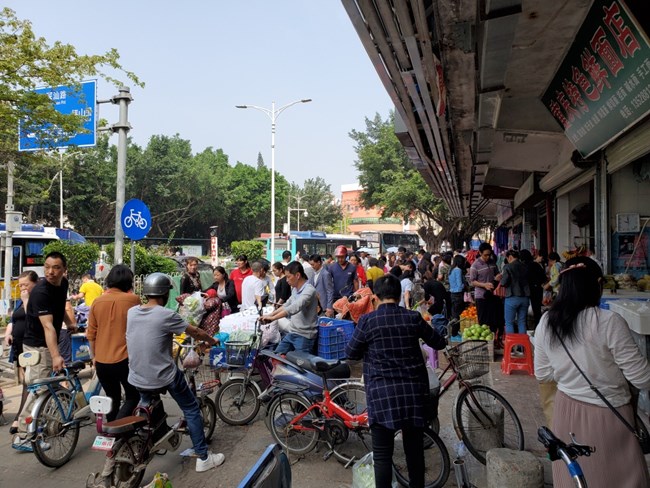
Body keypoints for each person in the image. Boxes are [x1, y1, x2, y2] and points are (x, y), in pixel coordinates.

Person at [534, 257, 650, 487]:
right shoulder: (608, 322)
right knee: (617, 478)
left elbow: (543, 374)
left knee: (576, 477)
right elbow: (642, 378)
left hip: (565, 411)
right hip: (608, 416)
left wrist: (570, 374)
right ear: (597, 284)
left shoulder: (546, 322)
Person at [345, 274, 447, 488]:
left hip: (381, 396)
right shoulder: (413, 318)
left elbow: (351, 353)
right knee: (414, 453)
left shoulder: (368, 321)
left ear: (375, 297)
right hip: (412, 396)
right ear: (400, 296)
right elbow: (438, 342)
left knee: (382, 456)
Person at [126, 273, 224, 473]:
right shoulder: (166, 315)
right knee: (191, 409)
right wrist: (212, 340)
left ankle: (150, 436)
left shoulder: (132, 312)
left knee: (146, 406)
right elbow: (195, 332)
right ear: (165, 293)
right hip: (164, 376)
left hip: (137, 376)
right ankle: (203, 457)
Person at [14, 252, 77, 448]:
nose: (50, 271)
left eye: (56, 267)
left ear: (64, 270)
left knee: (48, 387)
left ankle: (38, 425)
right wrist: (56, 355)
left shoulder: (63, 283)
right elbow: (48, 326)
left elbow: (59, 307)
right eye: (47, 267)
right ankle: (23, 436)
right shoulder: (41, 292)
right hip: (37, 346)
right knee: (39, 390)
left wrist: (70, 323)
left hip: (47, 344)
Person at [86, 264, 141, 422]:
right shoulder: (133, 300)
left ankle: (111, 429)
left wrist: (94, 357)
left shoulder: (97, 302)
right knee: (133, 396)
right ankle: (118, 429)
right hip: (125, 360)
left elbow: (91, 334)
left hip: (102, 361)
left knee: (112, 398)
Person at [3, 270, 38, 435]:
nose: (23, 288)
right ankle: (24, 416)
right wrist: (8, 334)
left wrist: (26, 300)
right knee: (27, 380)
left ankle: (21, 418)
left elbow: (33, 318)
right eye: (20, 285)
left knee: (29, 382)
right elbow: (13, 320)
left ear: (35, 284)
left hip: (31, 345)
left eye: (26, 285)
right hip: (19, 346)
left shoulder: (36, 298)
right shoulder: (19, 301)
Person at [261, 262, 319, 354]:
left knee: (300, 362)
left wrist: (273, 318)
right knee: (276, 356)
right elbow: (286, 305)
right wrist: (270, 315)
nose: (287, 280)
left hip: (305, 336)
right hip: (292, 332)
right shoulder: (295, 289)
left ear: (297, 275)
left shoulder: (309, 290)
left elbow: (294, 308)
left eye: (288, 277)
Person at [469, 243, 502, 344]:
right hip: (480, 296)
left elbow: (497, 274)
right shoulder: (475, 265)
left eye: (489, 254)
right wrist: (484, 285)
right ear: (480, 253)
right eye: (485, 255)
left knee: (493, 320)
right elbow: (472, 281)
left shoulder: (492, 263)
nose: (488, 257)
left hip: (491, 295)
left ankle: (492, 342)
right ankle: (483, 344)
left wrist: (498, 277)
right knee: (483, 321)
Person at [499, 250, 530, 334]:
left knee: (509, 323)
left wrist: (499, 279)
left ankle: (511, 343)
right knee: (522, 322)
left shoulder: (508, 267)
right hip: (525, 298)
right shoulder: (525, 266)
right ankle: (522, 342)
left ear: (510, 257)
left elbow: (503, 283)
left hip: (512, 297)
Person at [520, 249, 546, 327]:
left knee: (524, 309)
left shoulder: (522, 266)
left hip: (525, 290)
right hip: (537, 289)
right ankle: (538, 326)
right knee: (537, 310)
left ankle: (525, 326)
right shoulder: (536, 265)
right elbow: (543, 277)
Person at [448, 254, 467, 332]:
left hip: (452, 294)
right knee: (459, 313)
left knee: (454, 313)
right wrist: (465, 285)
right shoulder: (458, 270)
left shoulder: (451, 269)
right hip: (458, 294)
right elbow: (459, 285)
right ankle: (456, 331)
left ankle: (454, 330)